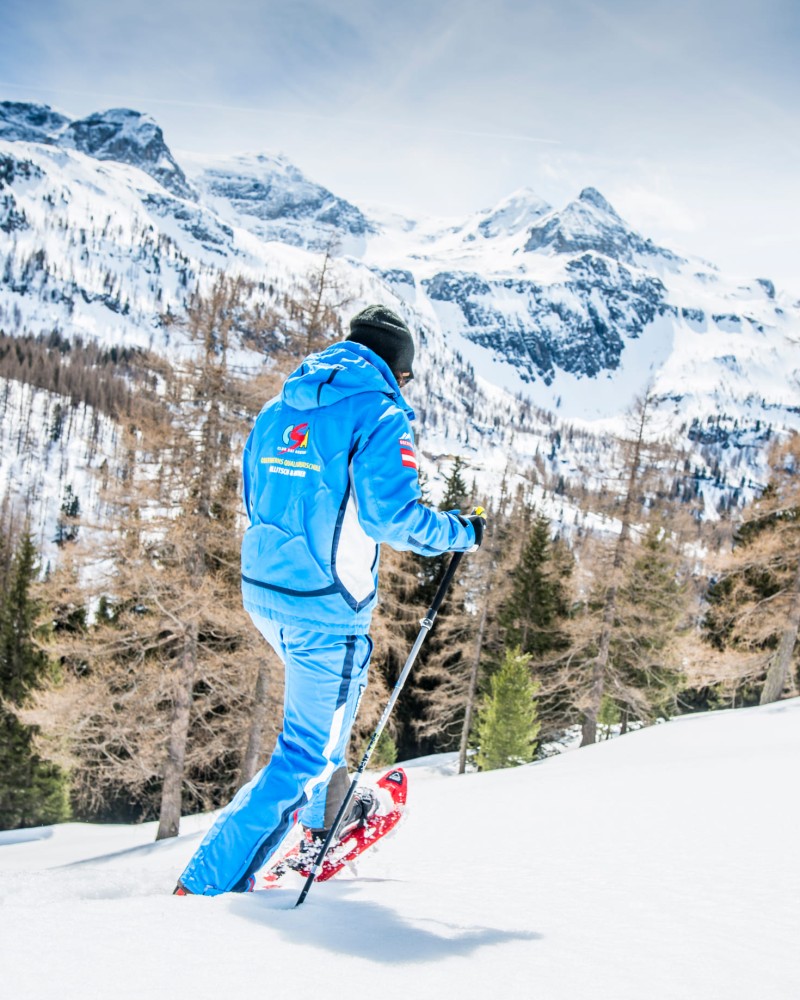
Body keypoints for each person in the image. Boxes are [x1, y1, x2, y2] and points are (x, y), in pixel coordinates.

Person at [176, 304, 483, 896]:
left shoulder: (279, 406)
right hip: (325, 608)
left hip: (266, 593)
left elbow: (254, 493)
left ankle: (326, 816)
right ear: (399, 369)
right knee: (304, 755)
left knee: (322, 724)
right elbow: (391, 518)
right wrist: (459, 532)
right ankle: (204, 886)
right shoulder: (381, 411)